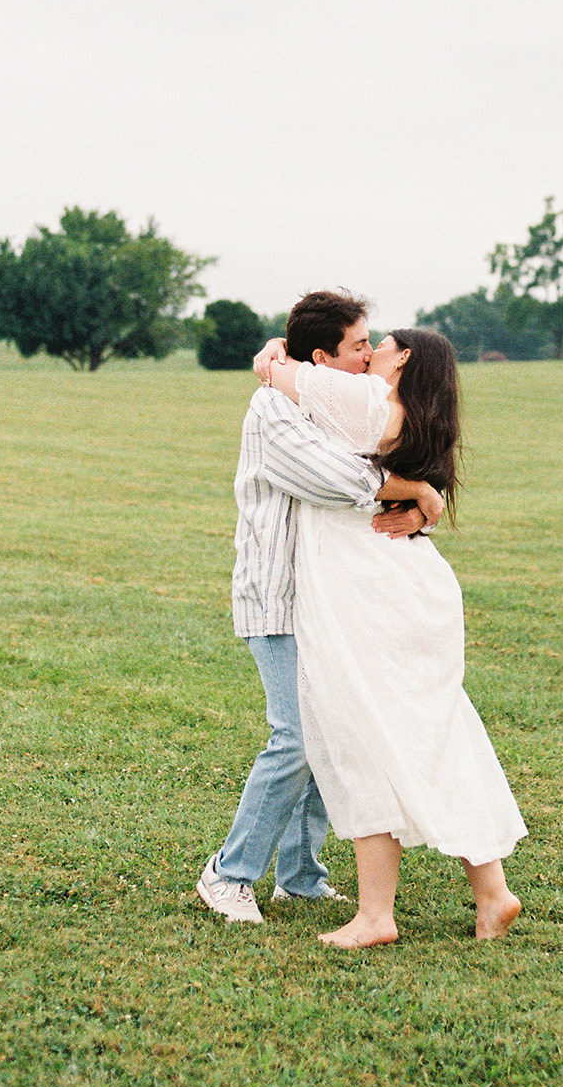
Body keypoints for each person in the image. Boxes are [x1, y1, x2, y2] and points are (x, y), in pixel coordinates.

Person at [258, 327, 527, 948]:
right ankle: (492, 892)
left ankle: (377, 916)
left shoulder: (370, 403)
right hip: (406, 583)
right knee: (432, 733)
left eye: (377, 342)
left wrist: (274, 349)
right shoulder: (418, 418)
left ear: (402, 357)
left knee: (362, 734)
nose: (367, 351)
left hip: (365, 589)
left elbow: (276, 370)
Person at [197, 291, 442, 924]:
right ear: (319, 358)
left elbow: (387, 469)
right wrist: (415, 490)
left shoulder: (341, 407)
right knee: (297, 735)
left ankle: (301, 874)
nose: (369, 355)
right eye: (359, 346)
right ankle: (228, 874)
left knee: (331, 730)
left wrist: (422, 501)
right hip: (277, 599)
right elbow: (339, 481)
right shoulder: (274, 407)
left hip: (336, 601)